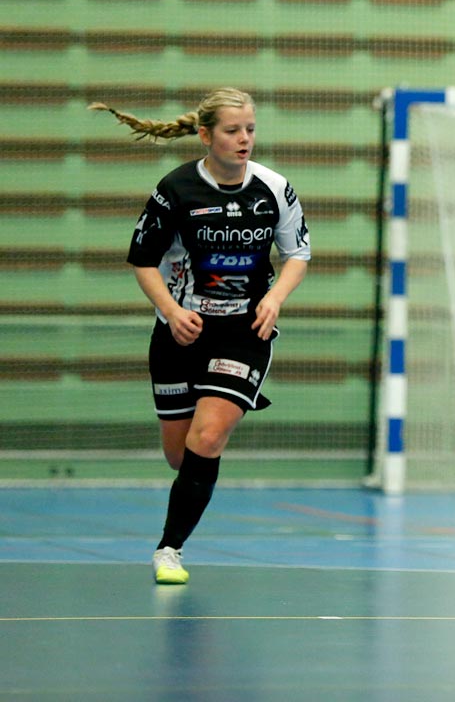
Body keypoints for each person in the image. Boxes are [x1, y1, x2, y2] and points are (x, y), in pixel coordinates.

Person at [90, 89, 310, 585]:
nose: (245, 139)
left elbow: (297, 253)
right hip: (181, 331)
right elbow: (142, 261)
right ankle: (198, 469)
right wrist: (169, 311)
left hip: (244, 331)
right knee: (180, 452)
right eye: (233, 131)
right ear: (206, 135)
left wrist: (275, 299)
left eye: (250, 129)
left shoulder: (273, 189)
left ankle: (169, 549)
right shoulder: (176, 189)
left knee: (207, 437)